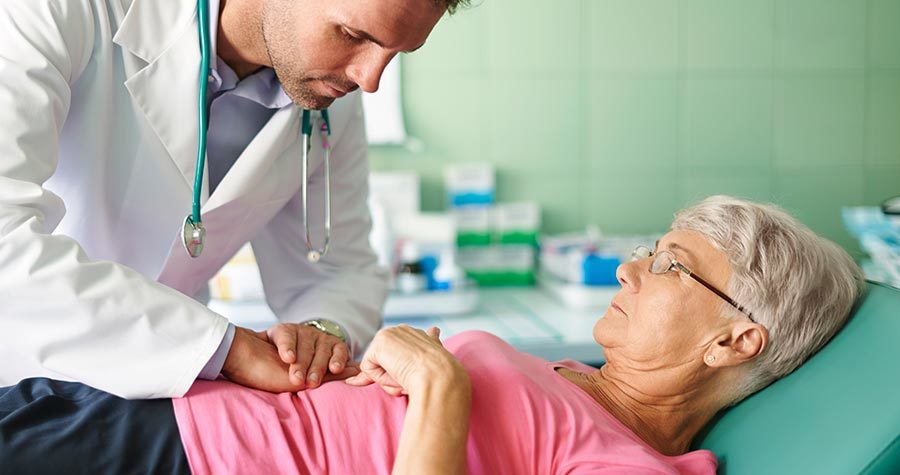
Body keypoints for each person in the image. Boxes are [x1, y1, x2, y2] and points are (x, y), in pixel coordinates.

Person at [0, 196, 865, 474]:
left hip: (184, 457)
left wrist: (442, 389)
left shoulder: (630, 463)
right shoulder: (582, 381)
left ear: (733, 341)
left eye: (670, 264)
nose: (631, 270)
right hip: (162, 406)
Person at [0, 0, 463, 399]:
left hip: (163, 402)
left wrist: (322, 336)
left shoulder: (329, 99)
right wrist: (227, 348)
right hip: (18, 375)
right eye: (351, 33)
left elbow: (338, 269)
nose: (369, 79)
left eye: (397, 53)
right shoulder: (60, 11)